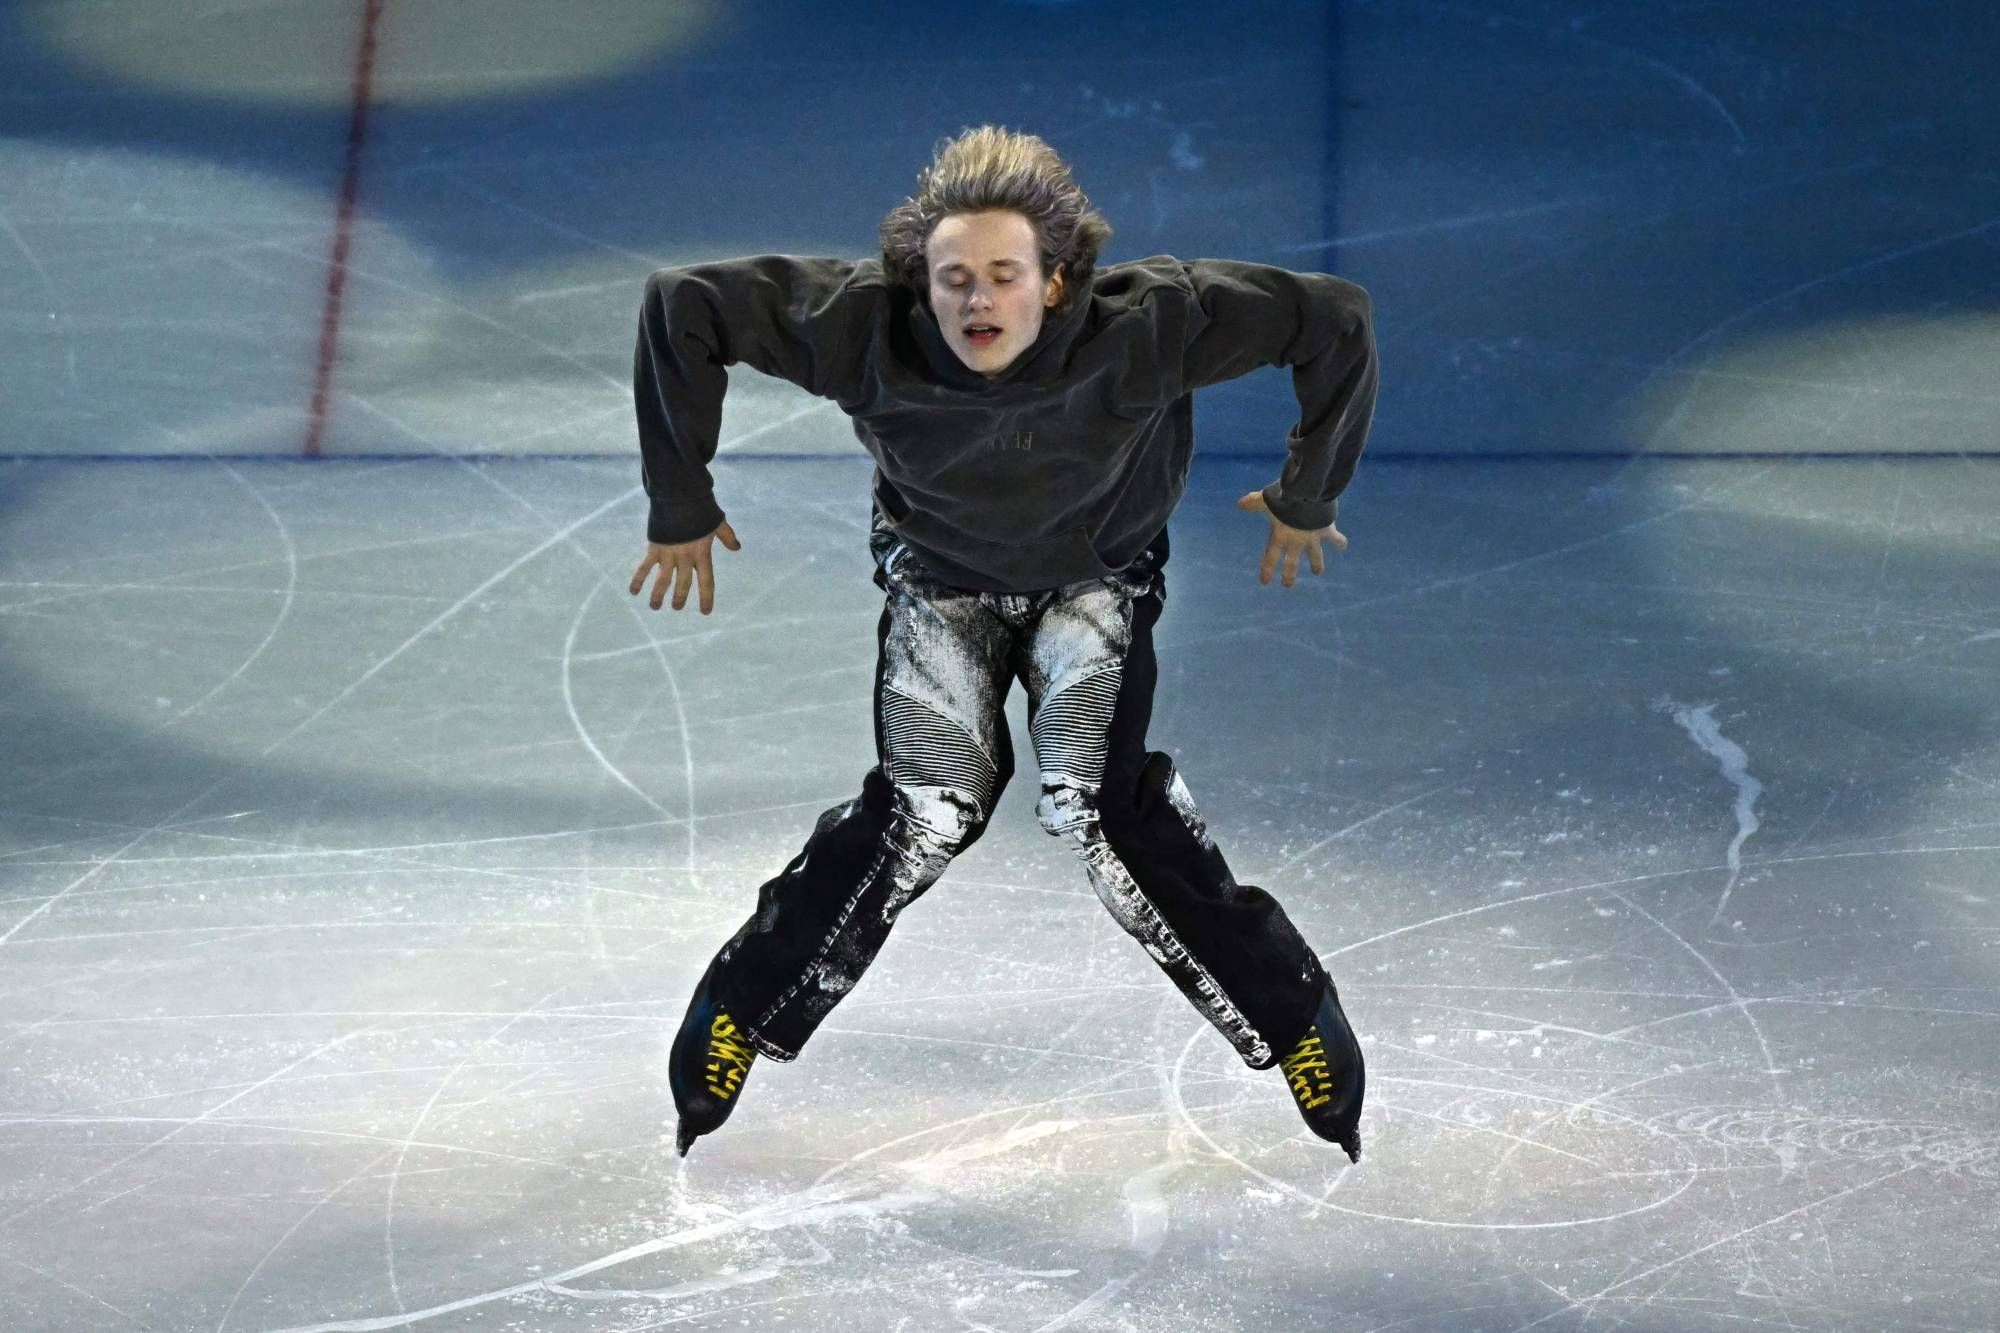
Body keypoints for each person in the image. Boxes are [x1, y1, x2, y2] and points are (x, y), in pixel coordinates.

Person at [629, 125, 1375, 1162]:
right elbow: (684, 305)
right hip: (942, 584)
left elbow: (1333, 319)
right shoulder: (861, 326)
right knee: (924, 811)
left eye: (1003, 275)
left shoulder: (1153, 323)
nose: (976, 301)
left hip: (1095, 580)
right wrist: (680, 501)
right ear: (920, 282)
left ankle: (1297, 1021)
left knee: (1106, 812)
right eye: (953, 279)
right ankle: (736, 1011)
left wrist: (1308, 494)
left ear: (1057, 281)